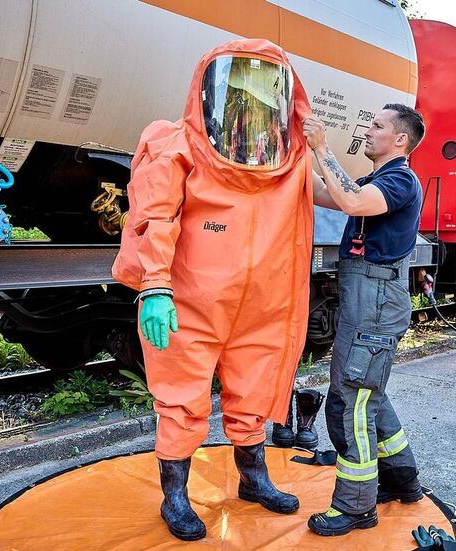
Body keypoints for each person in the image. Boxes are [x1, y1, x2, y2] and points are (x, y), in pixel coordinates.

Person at [111, 40, 314, 541]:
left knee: (252, 394)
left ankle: (253, 479)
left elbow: (344, 201)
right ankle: (175, 497)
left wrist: (322, 145)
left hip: (260, 307)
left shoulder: (291, 164)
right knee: (182, 400)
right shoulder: (175, 146)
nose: (249, 115)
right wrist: (155, 288)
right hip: (190, 302)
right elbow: (156, 220)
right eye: (239, 100)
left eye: (262, 105)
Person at [302, 104, 425, 536]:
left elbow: (349, 199)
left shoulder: (400, 180)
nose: (368, 130)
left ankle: (356, 506)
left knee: (349, 399)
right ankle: (401, 480)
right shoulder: (378, 180)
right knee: (369, 392)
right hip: (368, 296)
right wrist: (294, 154)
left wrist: (322, 147)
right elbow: (327, 194)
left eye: (377, 125)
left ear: (400, 140)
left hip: (374, 299)